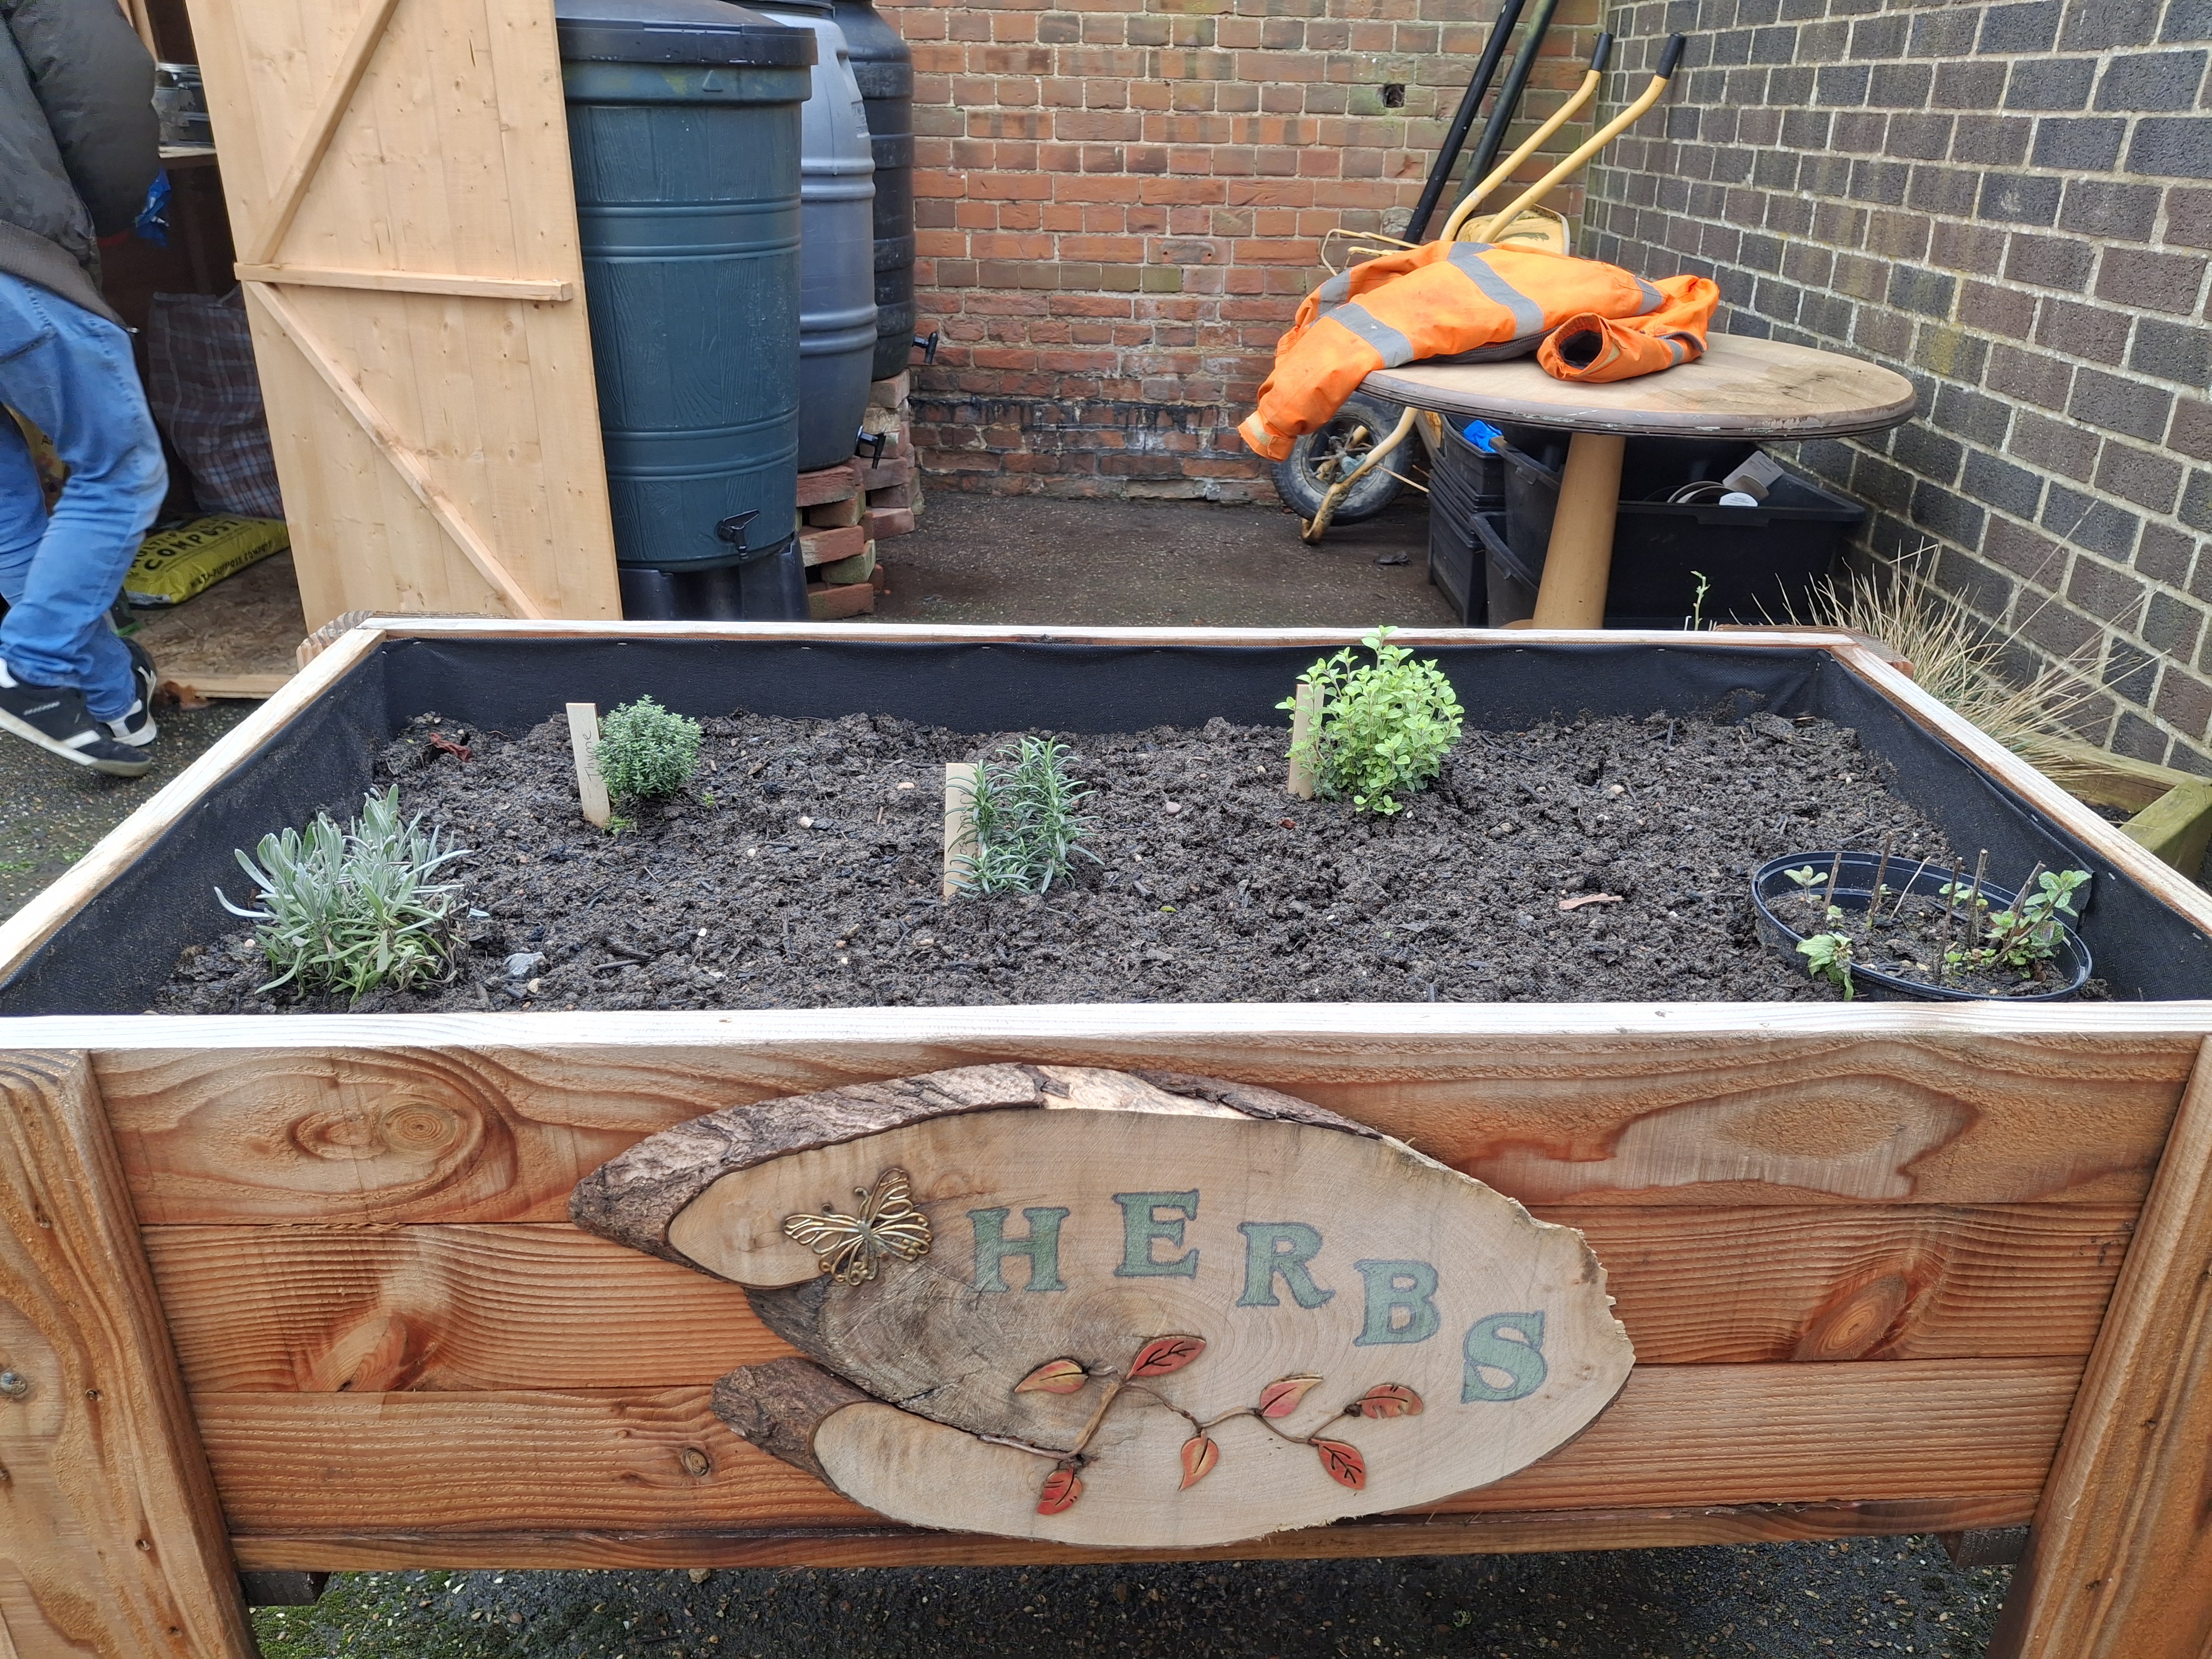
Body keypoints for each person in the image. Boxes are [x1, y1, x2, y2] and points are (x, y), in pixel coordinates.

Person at [0, 0, 166, 778]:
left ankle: (112, 700)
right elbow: (101, 79)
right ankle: (31, 670)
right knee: (121, 470)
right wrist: (107, 214)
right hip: (12, 250)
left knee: (8, 514)